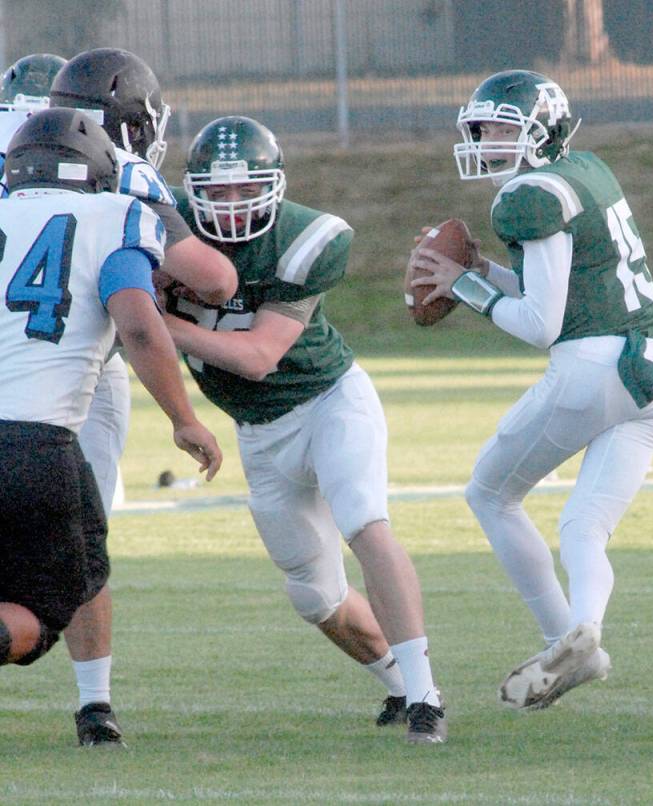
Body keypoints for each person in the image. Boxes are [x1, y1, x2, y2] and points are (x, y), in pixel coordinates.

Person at [162, 115, 446, 744]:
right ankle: (399, 684)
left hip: (328, 402)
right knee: (314, 597)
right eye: (218, 191)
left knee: (365, 523)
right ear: (191, 191)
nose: (232, 204)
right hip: (258, 430)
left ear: (276, 185)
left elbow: (259, 356)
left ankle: (427, 695)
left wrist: (149, 325)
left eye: (246, 189)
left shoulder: (304, 237)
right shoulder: (160, 224)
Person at [409, 70, 653, 709]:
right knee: (584, 527)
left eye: (506, 128)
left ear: (542, 131)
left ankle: (561, 632)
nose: (490, 141)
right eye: (485, 129)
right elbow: (552, 287)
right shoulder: (587, 171)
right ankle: (586, 633)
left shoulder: (529, 194)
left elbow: (540, 323)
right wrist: (481, 270)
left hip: (592, 368)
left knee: (490, 495)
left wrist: (463, 286)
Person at [42, 47, 238, 746]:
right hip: (80, 373)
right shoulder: (125, 176)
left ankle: (93, 700)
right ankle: (95, 703)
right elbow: (213, 279)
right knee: (80, 537)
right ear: (130, 124)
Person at [0, 108, 221, 675]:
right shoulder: (114, 214)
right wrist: (184, 418)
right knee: (47, 611)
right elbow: (140, 326)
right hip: (33, 442)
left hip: (36, 439)